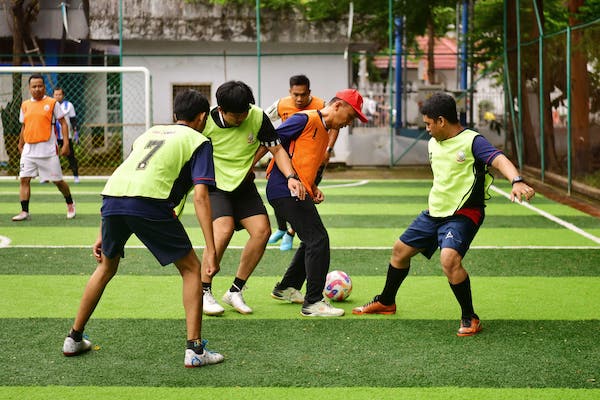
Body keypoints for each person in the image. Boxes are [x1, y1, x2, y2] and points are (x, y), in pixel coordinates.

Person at [62, 89, 224, 368]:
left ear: (174, 116)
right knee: (191, 269)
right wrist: (211, 249)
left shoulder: (149, 133)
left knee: (105, 268)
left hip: (112, 200)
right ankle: (195, 349)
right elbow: (200, 196)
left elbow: (126, 176)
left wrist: (103, 230)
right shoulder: (200, 141)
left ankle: (73, 338)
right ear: (201, 117)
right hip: (149, 202)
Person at [352, 92, 536, 336]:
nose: (426, 129)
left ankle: (470, 317)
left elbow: (499, 159)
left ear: (441, 121)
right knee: (399, 252)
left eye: (428, 123)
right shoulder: (433, 143)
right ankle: (386, 301)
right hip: (434, 212)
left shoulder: (472, 141)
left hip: (464, 213)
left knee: (449, 259)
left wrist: (517, 180)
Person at [200, 80, 305, 316]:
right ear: (221, 110)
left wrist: (291, 176)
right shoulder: (205, 122)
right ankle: (204, 291)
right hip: (215, 186)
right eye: (237, 115)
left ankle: (235, 290)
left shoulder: (257, 117)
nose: (243, 117)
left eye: (245, 111)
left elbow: (276, 149)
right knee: (223, 231)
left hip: (243, 185)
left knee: (262, 232)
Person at [266, 89, 368, 316]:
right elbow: (271, 141)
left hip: (297, 190)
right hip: (284, 188)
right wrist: (248, 170)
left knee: (310, 239)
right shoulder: (305, 119)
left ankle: (286, 287)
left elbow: (303, 159)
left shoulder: (324, 130)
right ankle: (313, 302)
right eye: (351, 117)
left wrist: (312, 187)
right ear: (338, 106)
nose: (349, 123)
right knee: (318, 240)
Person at [264, 74, 340, 251]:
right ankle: (282, 228)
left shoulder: (321, 106)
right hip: (285, 161)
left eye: (303, 94)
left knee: (303, 197)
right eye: (295, 94)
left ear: (309, 92)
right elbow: (264, 121)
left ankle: (291, 234)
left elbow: (335, 125)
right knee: (282, 196)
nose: (299, 99)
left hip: (310, 163)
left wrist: (328, 149)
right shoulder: (281, 104)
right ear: (290, 92)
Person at [12, 74, 76, 221]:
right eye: (34, 86)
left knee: (58, 181)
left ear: (44, 87)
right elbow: (24, 126)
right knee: (24, 179)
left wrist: (66, 143)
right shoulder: (25, 105)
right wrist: (20, 143)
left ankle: (70, 203)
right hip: (29, 150)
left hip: (48, 150)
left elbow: (64, 123)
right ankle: (24, 211)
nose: (37, 89)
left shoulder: (53, 103)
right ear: (29, 88)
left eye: (40, 86)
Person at [52, 87, 80, 183]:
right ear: (53, 95)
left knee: (71, 156)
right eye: (56, 94)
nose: (57, 96)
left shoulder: (69, 106)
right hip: (53, 137)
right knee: (51, 157)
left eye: (59, 94)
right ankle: (48, 176)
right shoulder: (50, 105)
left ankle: (76, 176)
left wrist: (76, 132)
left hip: (66, 136)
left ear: (63, 95)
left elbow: (73, 120)